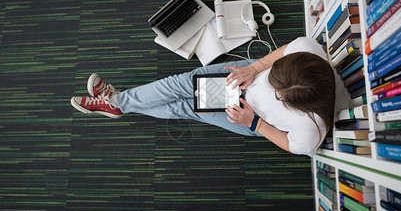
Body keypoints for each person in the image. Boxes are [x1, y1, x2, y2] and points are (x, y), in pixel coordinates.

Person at [71, 37, 336, 156]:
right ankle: (118, 103)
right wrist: (256, 68)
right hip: (248, 75)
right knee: (179, 84)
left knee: (185, 109)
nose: (272, 88)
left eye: (277, 93)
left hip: (251, 116)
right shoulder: (309, 50)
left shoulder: (311, 130)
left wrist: (254, 124)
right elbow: (283, 51)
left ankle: (117, 103)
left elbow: (290, 144)